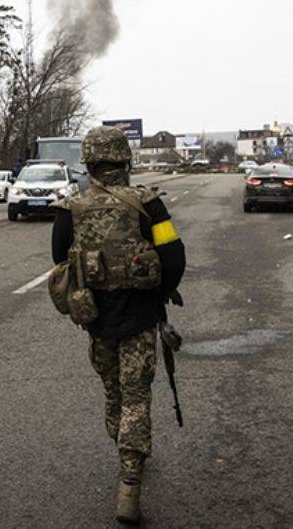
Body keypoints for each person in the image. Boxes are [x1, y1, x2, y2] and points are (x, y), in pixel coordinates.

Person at [50, 126, 186, 524]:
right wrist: (161, 292)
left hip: (97, 320)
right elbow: (174, 256)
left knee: (114, 393)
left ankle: (125, 451)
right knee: (137, 395)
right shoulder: (148, 205)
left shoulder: (69, 208)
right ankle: (130, 479)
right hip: (142, 317)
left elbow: (61, 262)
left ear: (89, 163)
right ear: (125, 160)